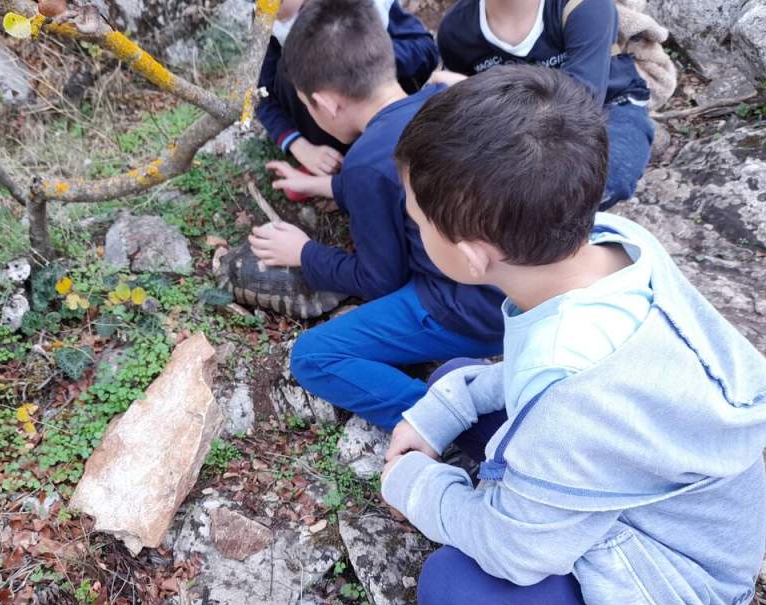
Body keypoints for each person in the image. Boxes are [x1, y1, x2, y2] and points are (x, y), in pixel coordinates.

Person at [382, 64, 766, 605]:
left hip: (679, 568)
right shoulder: (618, 243)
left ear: (473, 257)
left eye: (419, 221)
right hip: (683, 487)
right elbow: (541, 374)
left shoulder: (571, 401)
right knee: (456, 381)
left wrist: (414, 483)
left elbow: (517, 551)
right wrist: (445, 407)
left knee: (455, 597)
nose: (416, 228)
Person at [248, 0, 504, 431]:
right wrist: (329, 185)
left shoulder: (366, 161)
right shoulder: (442, 98)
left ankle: (455, 424)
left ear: (325, 103)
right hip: (514, 285)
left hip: (466, 310)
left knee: (313, 356)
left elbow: (379, 278)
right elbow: (398, 182)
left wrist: (305, 253)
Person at [433, 0, 654, 208]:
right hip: (510, 123)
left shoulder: (584, 7)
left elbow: (582, 110)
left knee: (605, 177)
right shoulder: (456, 30)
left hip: (609, 106)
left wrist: (472, 88)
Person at [256, 0, 438, 182]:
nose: (265, 6)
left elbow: (426, 49)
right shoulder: (268, 21)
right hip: (332, 132)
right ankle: (338, 166)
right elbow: (258, 93)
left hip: (385, 107)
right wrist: (299, 145)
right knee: (287, 71)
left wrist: (359, 63)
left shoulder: (370, 6)